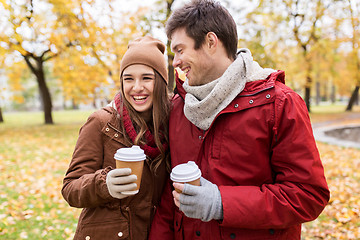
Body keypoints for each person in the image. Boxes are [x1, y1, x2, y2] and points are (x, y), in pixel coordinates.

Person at [149, 0, 330, 239]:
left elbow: (307, 195)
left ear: (211, 42)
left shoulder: (279, 104)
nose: (175, 62)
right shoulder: (178, 107)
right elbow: (168, 200)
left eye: (180, 50)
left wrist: (221, 203)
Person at [62, 35, 171, 240]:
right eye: (128, 78)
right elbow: (70, 188)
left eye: (146, 78)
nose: (136, 87)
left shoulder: (170, 126)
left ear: (161, 82)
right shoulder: (101, 123)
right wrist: (104, 184)